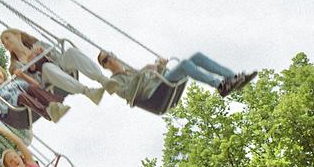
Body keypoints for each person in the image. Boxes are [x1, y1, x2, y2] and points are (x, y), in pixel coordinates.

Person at [0, 29, 109, 105]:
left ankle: (103, 80)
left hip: (59, 66)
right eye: (4, 43)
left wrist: (46, 53)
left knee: (71, 52)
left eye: (7, 38)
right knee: (47, 67)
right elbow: (30, 86)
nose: (6, 43)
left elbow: (58, 57)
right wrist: (31, 68)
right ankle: (87, 91)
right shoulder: (15, 67)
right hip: (45, 81)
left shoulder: (39, 45)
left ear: (18, 36)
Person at [97, 50, 257, 100]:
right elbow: (129, 94)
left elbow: (152, 77)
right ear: (105, 66)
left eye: (109, 55)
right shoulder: (114, 81)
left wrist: (160, 67)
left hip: (159, 83)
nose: (110, 59)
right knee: (185, 64)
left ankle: (233, 78)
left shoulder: (131, 70)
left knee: (197, 57)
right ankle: (220, 86)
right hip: (154, 93)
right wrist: (142, 72)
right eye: (105, 60)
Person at [0, 63, 71, 126]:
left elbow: (36, 85)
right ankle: (48, 113)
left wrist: (23, 75)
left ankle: (56, 105)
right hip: (13, 112)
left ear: (2, 72)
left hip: (26, 100)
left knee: (31, 88)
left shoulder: (14, 82)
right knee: (21, 96)